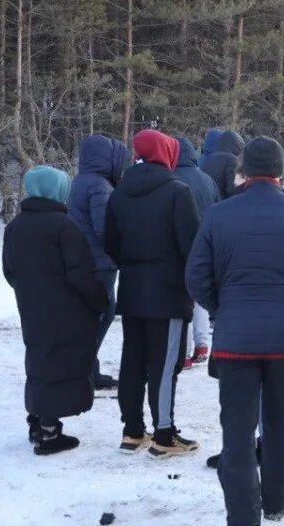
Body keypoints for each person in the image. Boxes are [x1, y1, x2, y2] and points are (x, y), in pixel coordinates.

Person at [187, 136, 284, 524]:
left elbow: (196, 277)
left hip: (235, 341)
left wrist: (225, 309)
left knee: (236, 428)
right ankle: (276, 499)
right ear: (280, 170)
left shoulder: (219, 214)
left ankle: (242, 513)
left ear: (244, 171)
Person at [104, 129, 201, 457]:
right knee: (165, 364)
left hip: (132, 289)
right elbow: (192, 246)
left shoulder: (119, 193)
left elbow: (110, 244)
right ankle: (163, 434)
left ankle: (132, 431)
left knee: (132, 359)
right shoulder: (177, 192)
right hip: (169, 293)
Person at [5, 166, 109, 455]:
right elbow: (82, 274)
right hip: (67, 310)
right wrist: (100, 302)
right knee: (60, 364)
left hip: (32, 306)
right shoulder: (64, 226)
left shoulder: (15, 226)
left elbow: (9, 270)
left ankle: (37, 421)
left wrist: (30, 291)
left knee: (39, 361)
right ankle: (49, 434)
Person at [66, 134, 129, 390]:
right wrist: (122, 251)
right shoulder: (99, 186)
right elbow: (105, 228)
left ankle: (88, 368)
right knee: (102, 314)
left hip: (87, 259)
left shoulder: (82, 180)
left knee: (97, 314)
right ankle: (86, 369)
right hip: (99, 261)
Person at [174, 137, 221, 368]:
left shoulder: (171, 178)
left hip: (178, 245)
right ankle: (202, 343)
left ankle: (182, 351)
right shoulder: (207, 179)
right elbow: (218, 208)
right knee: (199, 295)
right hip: (205, 243)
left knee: (181, 297)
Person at [201, 130, 245, 199]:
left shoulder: (209, 158)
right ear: (236, 146)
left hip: (208, 201)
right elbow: (234, 190)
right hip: (222, 203)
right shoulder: (232, 160)